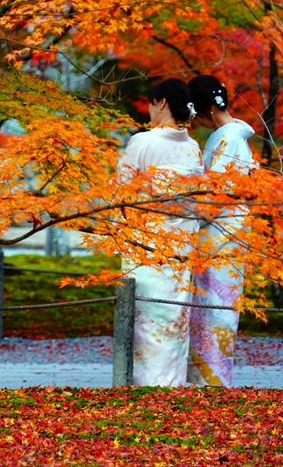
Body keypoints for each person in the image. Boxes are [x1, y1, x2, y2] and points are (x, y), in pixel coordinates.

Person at [117, 78, 204, 386]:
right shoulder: (192, 147)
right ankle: (171, 382)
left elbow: (122, 195)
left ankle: (144, 385)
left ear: (162, 102)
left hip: (145, 245)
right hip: (181, 245)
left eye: (153, 103)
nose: (150, 110)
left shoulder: (143, 142)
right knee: (174, 318)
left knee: (145, 319)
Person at [186, 74, 256, 387]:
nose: (196, 121)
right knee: (211, 308)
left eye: (197, 115)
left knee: (216, 308)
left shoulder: (229, 140)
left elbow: (217, 197)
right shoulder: (229, 137)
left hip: (221, 234)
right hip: (223, 231)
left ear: (209, 111)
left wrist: (183, 217)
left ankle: (213, 381)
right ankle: (208, 378)